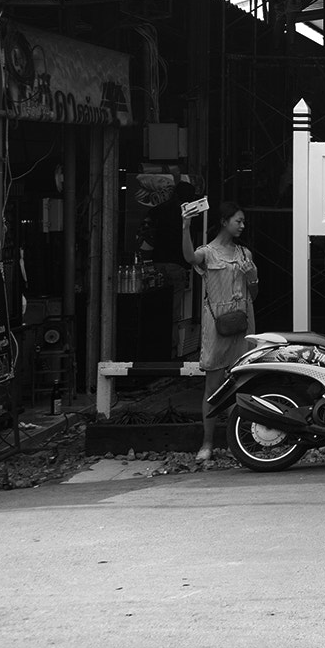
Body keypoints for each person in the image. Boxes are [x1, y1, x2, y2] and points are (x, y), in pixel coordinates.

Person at [182, 200, 258, 462]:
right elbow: (189, 258)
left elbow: (254, 294)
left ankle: (239, 442)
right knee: (213, 387)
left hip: (243, 322)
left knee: (243, 382)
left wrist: (253, 276)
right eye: (238, 221)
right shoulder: (208, 252)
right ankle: (207, 442)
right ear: (224, 222)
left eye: (243, 221)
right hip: (217, 325)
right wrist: (185, 226)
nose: (242, 226)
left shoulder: (245, 255)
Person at [142, 179, 200, 352]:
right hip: (177, 264)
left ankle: (153, 347)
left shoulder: (157, 211)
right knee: (173, 312)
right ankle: (171, 348)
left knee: (155, 307)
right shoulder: (188, 215)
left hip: (157, 263)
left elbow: (145, 235)